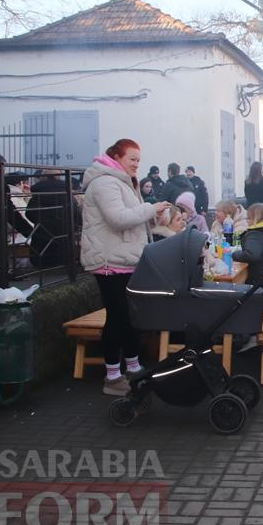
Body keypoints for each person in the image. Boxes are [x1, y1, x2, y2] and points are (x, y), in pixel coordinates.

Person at [80, 138, 170, 396]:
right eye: (132, 159)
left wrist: (153, 215)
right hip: (109, 261)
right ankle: (112, 376)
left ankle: (132, 366)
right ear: (116, 157)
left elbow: (132, 219)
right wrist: (149, 208)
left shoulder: (121, 182)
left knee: (129, 317)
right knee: (117, 317)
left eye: (138, 160)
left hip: (124, 259)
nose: (136, 164)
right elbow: (118, 219)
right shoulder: (105, 183)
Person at [0, 153, 33, 270]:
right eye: (4, 168)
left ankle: (1, 270)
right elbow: (8, 206)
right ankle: (2, 272)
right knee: (0, 242)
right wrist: (27, 230)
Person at [27, 170, 80, 268]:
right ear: (59, 177)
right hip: (64, 247)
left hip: (41, 245)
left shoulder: (37, 195)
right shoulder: (68, 195)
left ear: (43, 177)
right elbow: (76, 215)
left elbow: (29, 214)